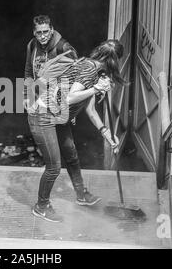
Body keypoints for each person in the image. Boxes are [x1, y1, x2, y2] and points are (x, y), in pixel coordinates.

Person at [25, 36, 123, 223]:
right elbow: (69, 98)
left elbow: (90, 109)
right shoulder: (89, 69)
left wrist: (107, 134)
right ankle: (41, 207)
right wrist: (95, 89)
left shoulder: (96, 71)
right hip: (42, 114)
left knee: (71, 154)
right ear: (115, 60)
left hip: (58, 117)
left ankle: (81, 195)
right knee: (54, 167)